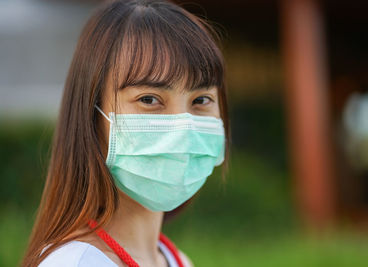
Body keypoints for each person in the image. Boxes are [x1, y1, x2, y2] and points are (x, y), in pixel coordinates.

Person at [21, 0, 230, 266]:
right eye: (149, 99)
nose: (183, 126)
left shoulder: (176, 260)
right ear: (91, 115)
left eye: (201, 100)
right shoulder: (76, 262)